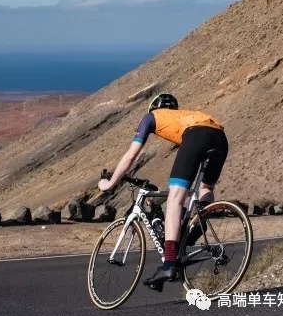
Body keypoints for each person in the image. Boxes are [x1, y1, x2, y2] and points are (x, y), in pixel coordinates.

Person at [97, 93, 229, 287]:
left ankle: (169, 264)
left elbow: (131, 156)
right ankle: (199, 221)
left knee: (175, 198)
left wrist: (110, 183)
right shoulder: (186, 116)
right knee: (205, 188)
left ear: (153, 108)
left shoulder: (151, 117)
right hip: (220, 137)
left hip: (197, 136)